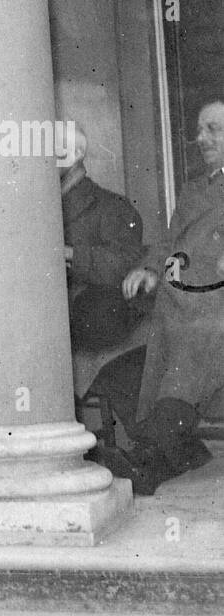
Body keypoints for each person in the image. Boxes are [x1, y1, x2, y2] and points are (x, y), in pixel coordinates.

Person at [111, 99, 224, 489]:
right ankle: (177, 449)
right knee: (118, 357)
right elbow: (167, 245)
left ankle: (150, 458)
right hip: (177, 303)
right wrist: (147, 268)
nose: (200, 138)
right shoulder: (195, 190)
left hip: (213, 308)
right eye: (199, 130)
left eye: (213, 129)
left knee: (191, 350)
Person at [60, 126, 145, 353]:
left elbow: (124, 265)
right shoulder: (39, 209)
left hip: (88, 344)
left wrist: (70, 254)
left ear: (77, 153)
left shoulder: (111, 206)